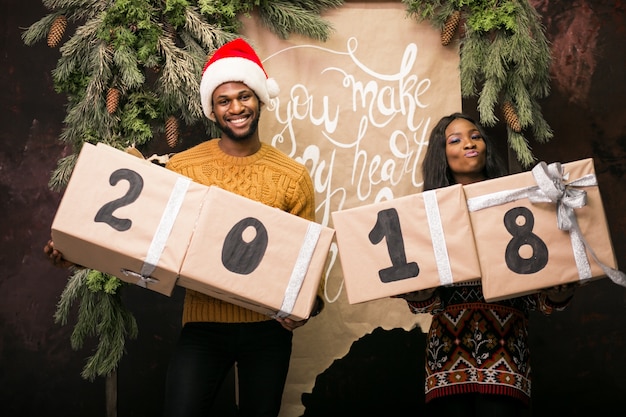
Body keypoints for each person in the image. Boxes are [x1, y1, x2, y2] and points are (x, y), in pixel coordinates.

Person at [45, 38, 324, 417]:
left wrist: (308, 307)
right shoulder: (184, 168)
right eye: (224, 100)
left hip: (267, 332)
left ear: (260, 100)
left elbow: (308, 268)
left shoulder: (293, 177)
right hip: (204, 325)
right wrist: (75, 255)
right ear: (212, 109)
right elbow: (134, 233)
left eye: (245, 96)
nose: (236, 107)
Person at [398, 112, 575, 416]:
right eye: (456, 140)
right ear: (442, 154)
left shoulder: (521, 204)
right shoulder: (425, 216)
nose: (469, 143)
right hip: (448, 358)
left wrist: (558, 293)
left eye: (475, 136)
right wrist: (417, 294)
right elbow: (428, 302)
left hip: (506, 352)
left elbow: (538, 293)